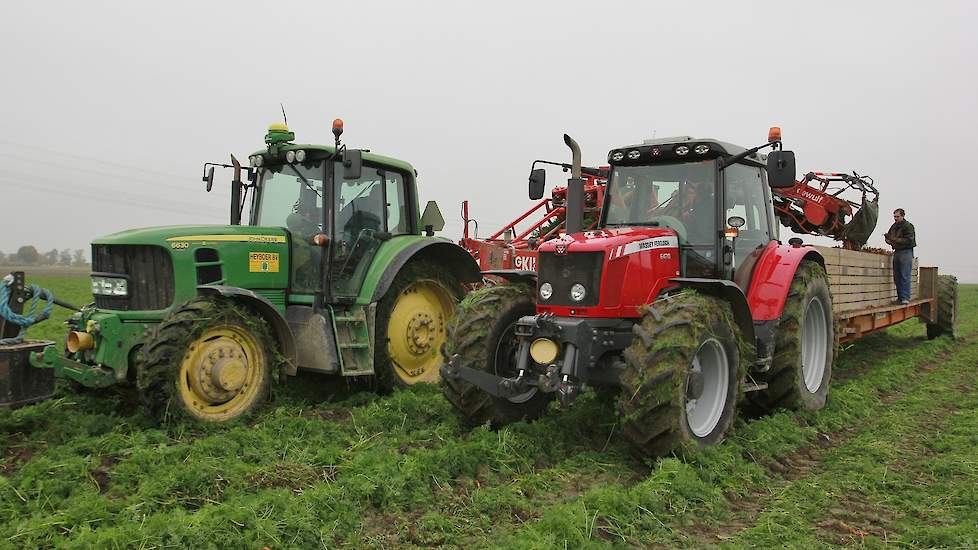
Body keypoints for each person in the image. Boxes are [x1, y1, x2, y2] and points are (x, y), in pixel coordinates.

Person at [884, 208, 916, 304]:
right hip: (897, 251)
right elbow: (890, 237)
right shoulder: (893, 226)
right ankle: (900, 298)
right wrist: (888, 240)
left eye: (897, 216)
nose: (895, 218)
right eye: (894, 216)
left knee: (904, 275)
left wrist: (894, 239)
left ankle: (905, 298)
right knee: (897, 276)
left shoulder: (908, 226)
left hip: (906, 251)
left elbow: (909, 240)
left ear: (903, 216)